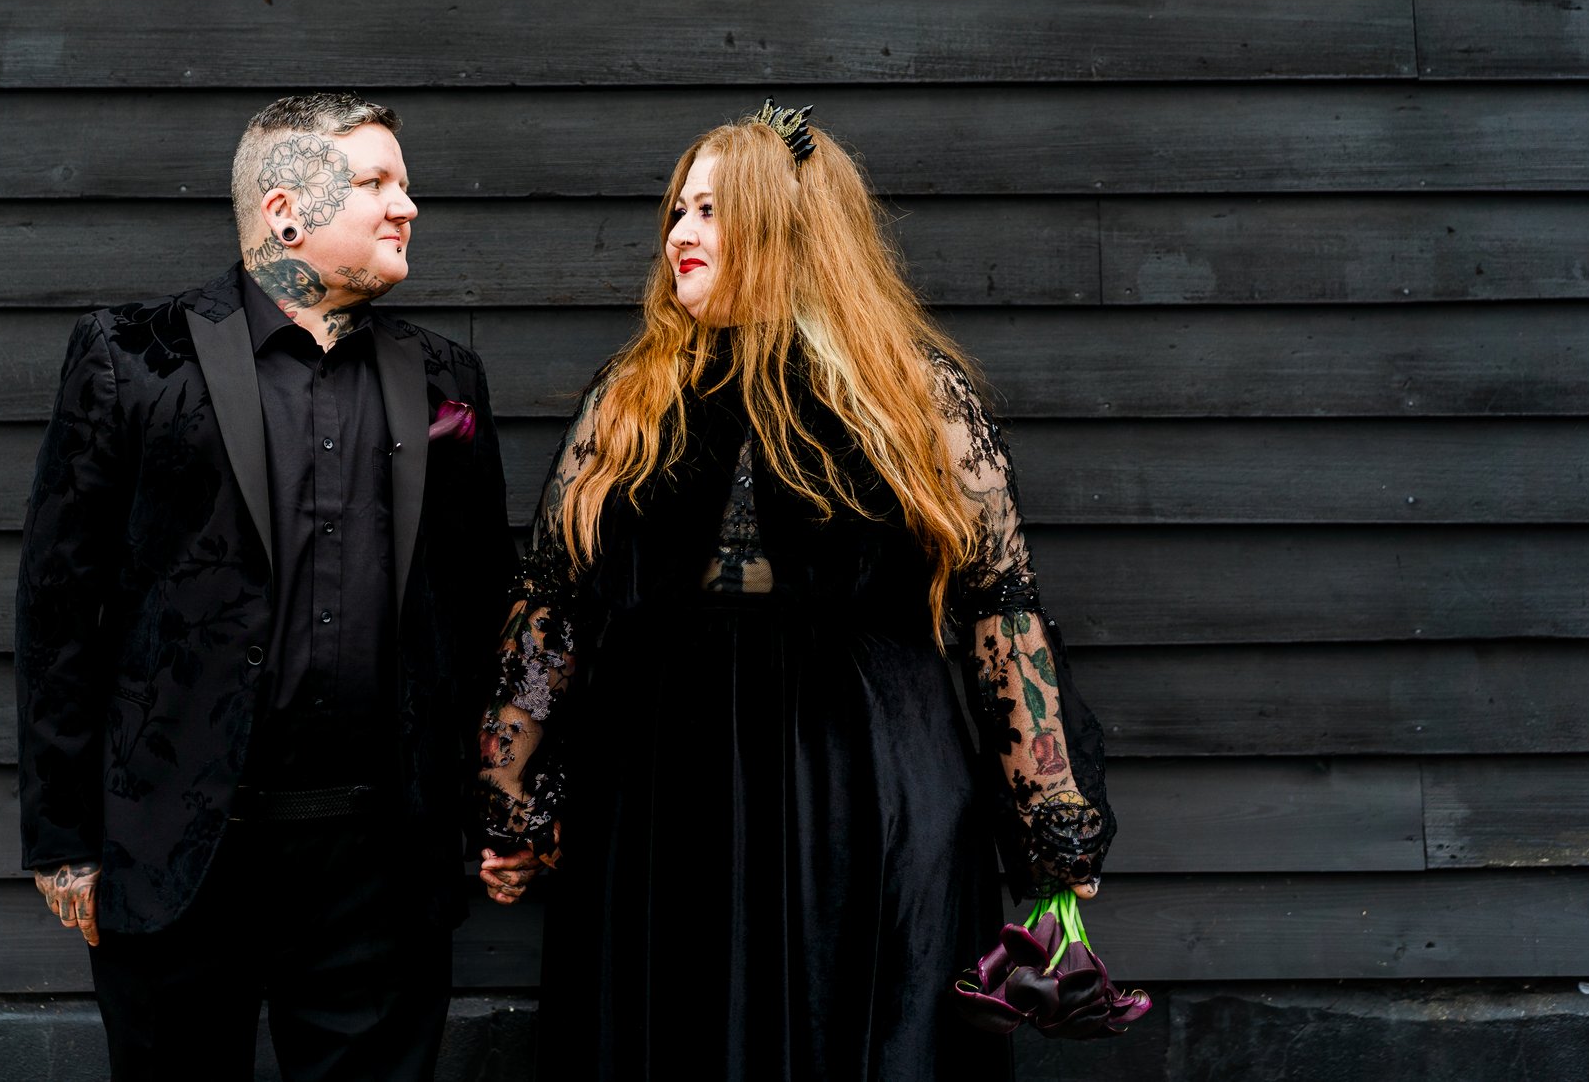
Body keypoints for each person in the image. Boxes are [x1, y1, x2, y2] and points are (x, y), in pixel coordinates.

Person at [475, 102, 1115, 1081]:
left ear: (787, 228)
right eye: (678, 209)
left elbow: (1001, 611)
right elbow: (550, 598)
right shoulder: (632, 394)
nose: (679, 233)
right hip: (662, 784)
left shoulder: (913, 394)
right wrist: (509, 796)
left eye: (710, 210)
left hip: (865, 779)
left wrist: (1052, 812)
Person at [14, 92, 513, 1082]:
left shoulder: (447, 378)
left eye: (404, 182)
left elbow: (476, 609)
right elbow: (60, 607)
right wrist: (62, 837)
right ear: (285, 213)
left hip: (379, 864)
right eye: (374, 182)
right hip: (179, 854)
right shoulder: (133, 359)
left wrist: (494, 810)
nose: (406, 204)